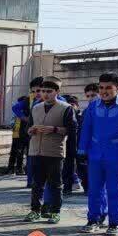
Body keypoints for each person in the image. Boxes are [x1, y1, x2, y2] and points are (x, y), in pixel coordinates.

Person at [77, 72, 118, 236]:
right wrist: (82, 151)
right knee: (95, 189)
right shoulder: (93, 106)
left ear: (117, 88)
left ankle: (115, 223)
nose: (104, 91)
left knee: (115, 189)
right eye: (101, 87)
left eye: (108, 88)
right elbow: (86, 130)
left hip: (117, 156)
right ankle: (94, 220)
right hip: (96, 155)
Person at [23, 77, 74, 224]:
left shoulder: (66, 108)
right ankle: (35, 210)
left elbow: (72, 130)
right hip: (35, 151)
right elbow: (28, 129)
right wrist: (31, 130)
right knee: (36, 183)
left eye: (49, 91)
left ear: (57, 92)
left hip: (54, 152)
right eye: (43, 91)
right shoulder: (36, 107)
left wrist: (54, 129)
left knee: (55, 184)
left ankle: (54, 211)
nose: (45, 94)